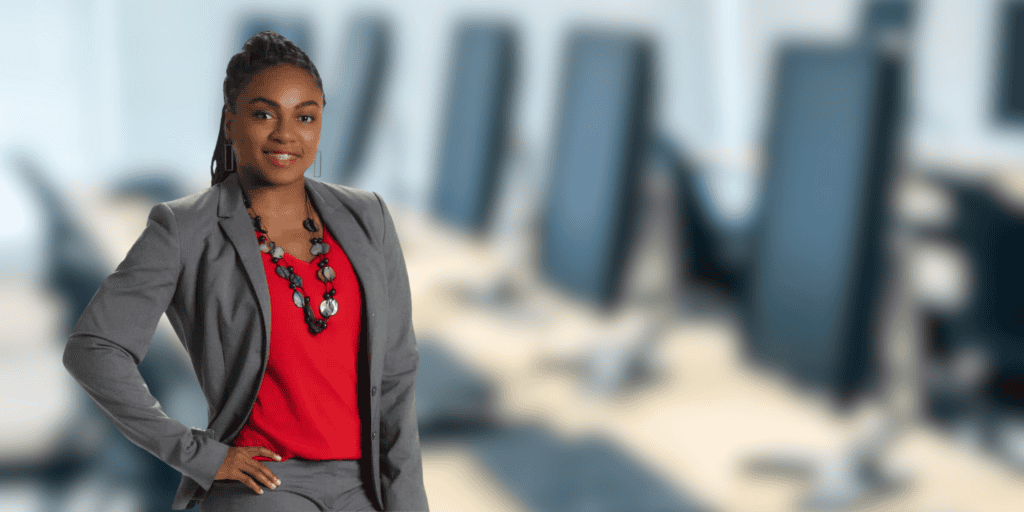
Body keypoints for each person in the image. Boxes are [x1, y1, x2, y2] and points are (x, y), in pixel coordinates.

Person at [62, 31, 429, 511]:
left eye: (305, 117)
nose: (285, 134)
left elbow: (396, 377)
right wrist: (197, 455)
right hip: (264, 482)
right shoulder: (184, 229)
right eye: (263, 113)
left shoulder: (369, 218)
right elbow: (94, 348)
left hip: (363, 483)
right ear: (230, 122)